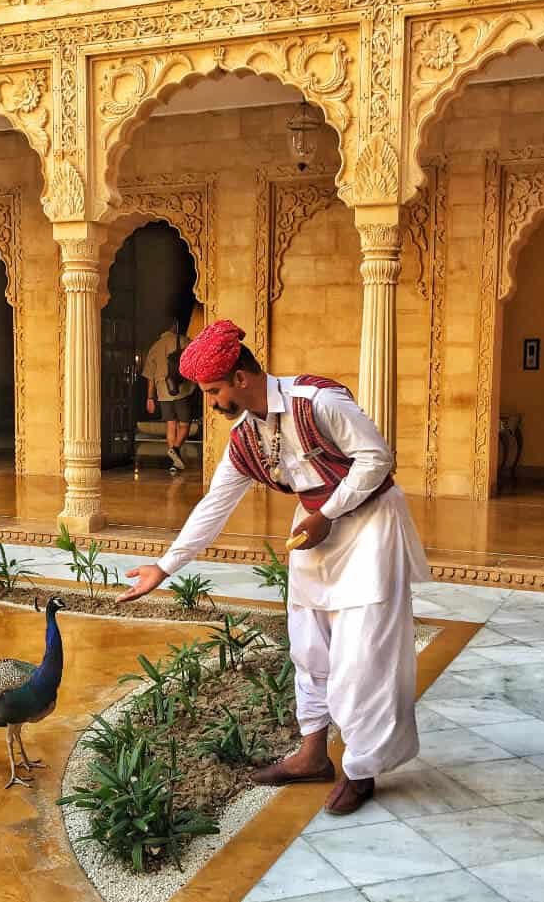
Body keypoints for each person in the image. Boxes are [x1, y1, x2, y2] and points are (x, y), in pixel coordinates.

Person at [118, 319, 429, 816]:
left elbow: (377, 458)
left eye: (215, 391)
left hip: (370, 525)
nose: (213, 403)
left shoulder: (317, 402)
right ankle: (311, 756)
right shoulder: (246, 438)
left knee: (363, 656)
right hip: (314, 527)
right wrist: (165, 565)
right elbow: (213, 506)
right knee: (309, 644)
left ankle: (361, 770)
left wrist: (328, 513)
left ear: (241, 378)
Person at [142, 320, 196, 471]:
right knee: (185, 424)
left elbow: (149, 376)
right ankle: (176, 449)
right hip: (181, 389)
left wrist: (150, 398)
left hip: (162, 391)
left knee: (171, 425)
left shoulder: (155, 346)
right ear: (173, 327)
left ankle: (175, 463)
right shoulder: (184, 341)